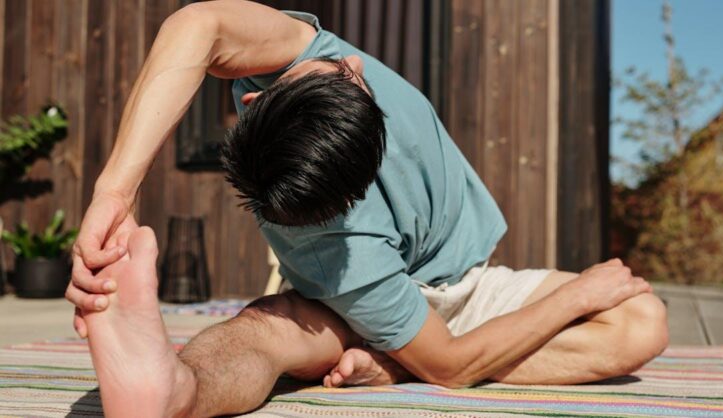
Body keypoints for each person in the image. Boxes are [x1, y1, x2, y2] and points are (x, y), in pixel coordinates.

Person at [66, 1, 669, 416]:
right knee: (269, 335)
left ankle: (398, 362)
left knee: (641, 322)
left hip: (460, 287)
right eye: (346, 77)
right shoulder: (343, 253)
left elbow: (198, 23)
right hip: (358, 311)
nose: (354, 63)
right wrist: (575, 296)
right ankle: (176, 391)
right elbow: (454, 367)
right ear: (255, 99)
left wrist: (115, 191)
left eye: (347, 80)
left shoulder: (300, 57)